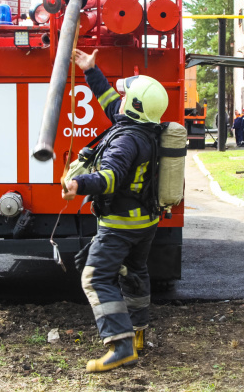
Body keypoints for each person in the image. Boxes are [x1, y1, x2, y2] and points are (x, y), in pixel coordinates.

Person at [62, 48, 168, 373]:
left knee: (95, 278)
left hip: (120, 224)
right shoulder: (144, 129)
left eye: (126, 94)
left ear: (134, 104)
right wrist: (91, 70)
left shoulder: (125, 141)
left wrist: (79, 185)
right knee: (136, 274)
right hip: (145, 222)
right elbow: (110, 100)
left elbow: (110, 178)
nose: (119, 97)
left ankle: (120, 346)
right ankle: (137, 334)